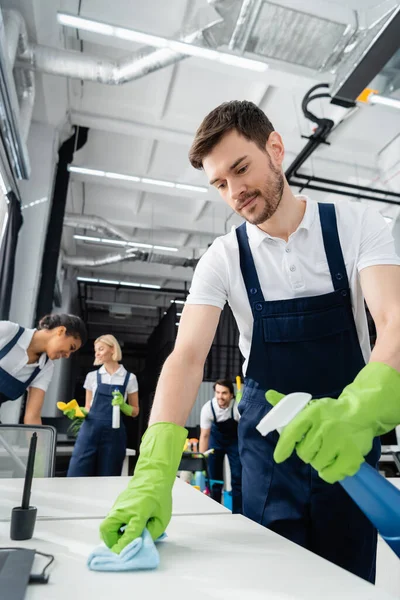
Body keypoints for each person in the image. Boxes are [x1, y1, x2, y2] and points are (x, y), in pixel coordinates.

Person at [99, 100, 400, 582]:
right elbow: (186, 358)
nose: (235, 192)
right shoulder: (222, 258)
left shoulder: (356, 227)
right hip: (267, 453)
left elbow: (395, 320)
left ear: (275, 149)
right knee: (270, 581)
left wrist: (359, 413)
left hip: (344, 442)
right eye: (220, 183)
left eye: (241, 169)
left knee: (348, 580)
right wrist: (154, 471)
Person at [67, 334, 139, 477]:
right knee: (77, 471)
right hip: (89, 431)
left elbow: (135, 411)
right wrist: (77, 412)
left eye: (100, 349)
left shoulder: (129, 378)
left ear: (112, 349)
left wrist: (123, 406)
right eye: (96, 350)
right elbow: (88, 407)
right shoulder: (92, 376)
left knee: (108, 475)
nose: (97, 353)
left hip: (114, 434)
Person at [0, 314, 86, 424]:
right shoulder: (8, 332)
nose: (67, 355)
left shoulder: (45, 368)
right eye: (71, 347)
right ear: (61, 331)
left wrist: (39, 440)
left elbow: (32, 417)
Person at [199, 379, 242, 513]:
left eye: (224, 393)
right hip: (216, 441)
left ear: (231, 395)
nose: (220, 396)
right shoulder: (208, 408)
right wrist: (202, 458)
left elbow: (244, 433)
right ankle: (214, 511)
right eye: (217, 392)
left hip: (234, 441)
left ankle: (238, 512)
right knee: (214, 478)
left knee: (237, 476)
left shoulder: (237, 408)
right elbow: (204, 435)